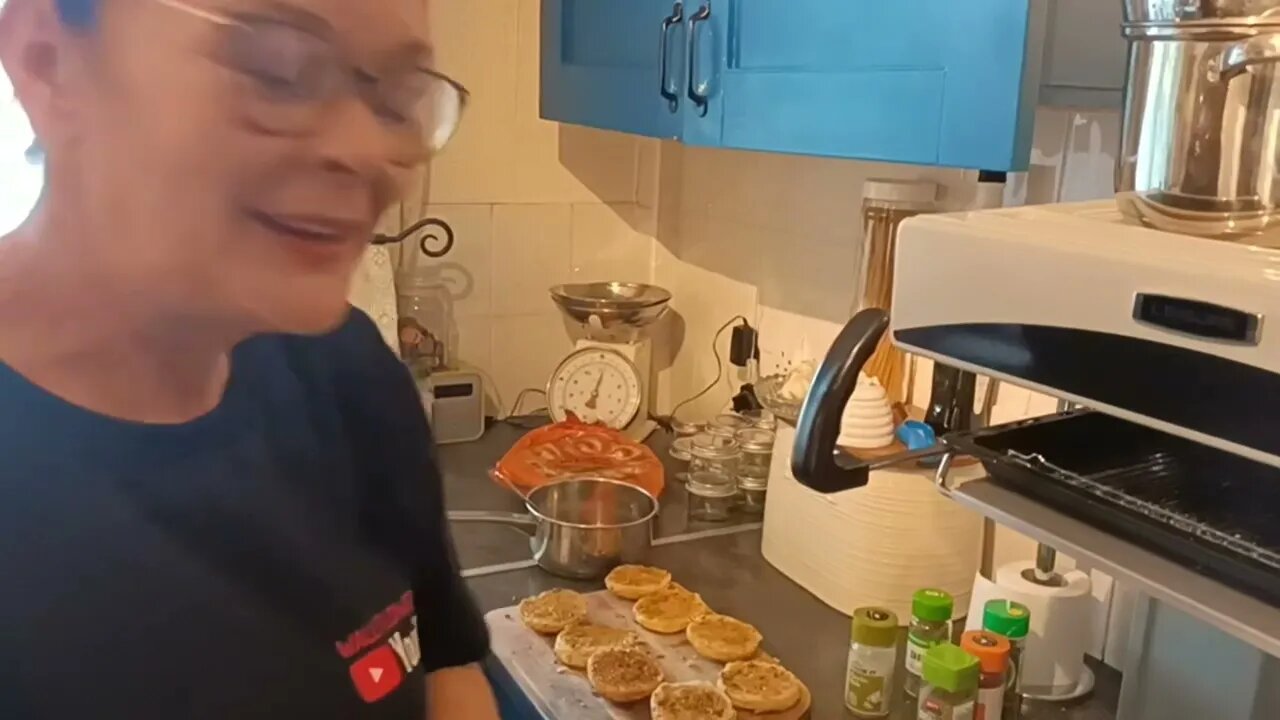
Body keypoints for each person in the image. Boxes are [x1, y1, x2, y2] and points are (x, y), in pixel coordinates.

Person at [0, 0, 499, 717]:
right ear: (50, 64)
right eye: (280, 70)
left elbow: (448, 675)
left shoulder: (347, 370)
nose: (365, 150)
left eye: (396, 96)